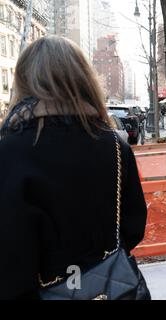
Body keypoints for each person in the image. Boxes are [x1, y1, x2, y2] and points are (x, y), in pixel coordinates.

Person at [0, 36, 148, 300]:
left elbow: (10, 252)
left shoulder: (9, 151)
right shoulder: (114, 144)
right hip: (110, 288)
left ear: (23, 80)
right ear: (84, 78)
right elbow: (133, 226)